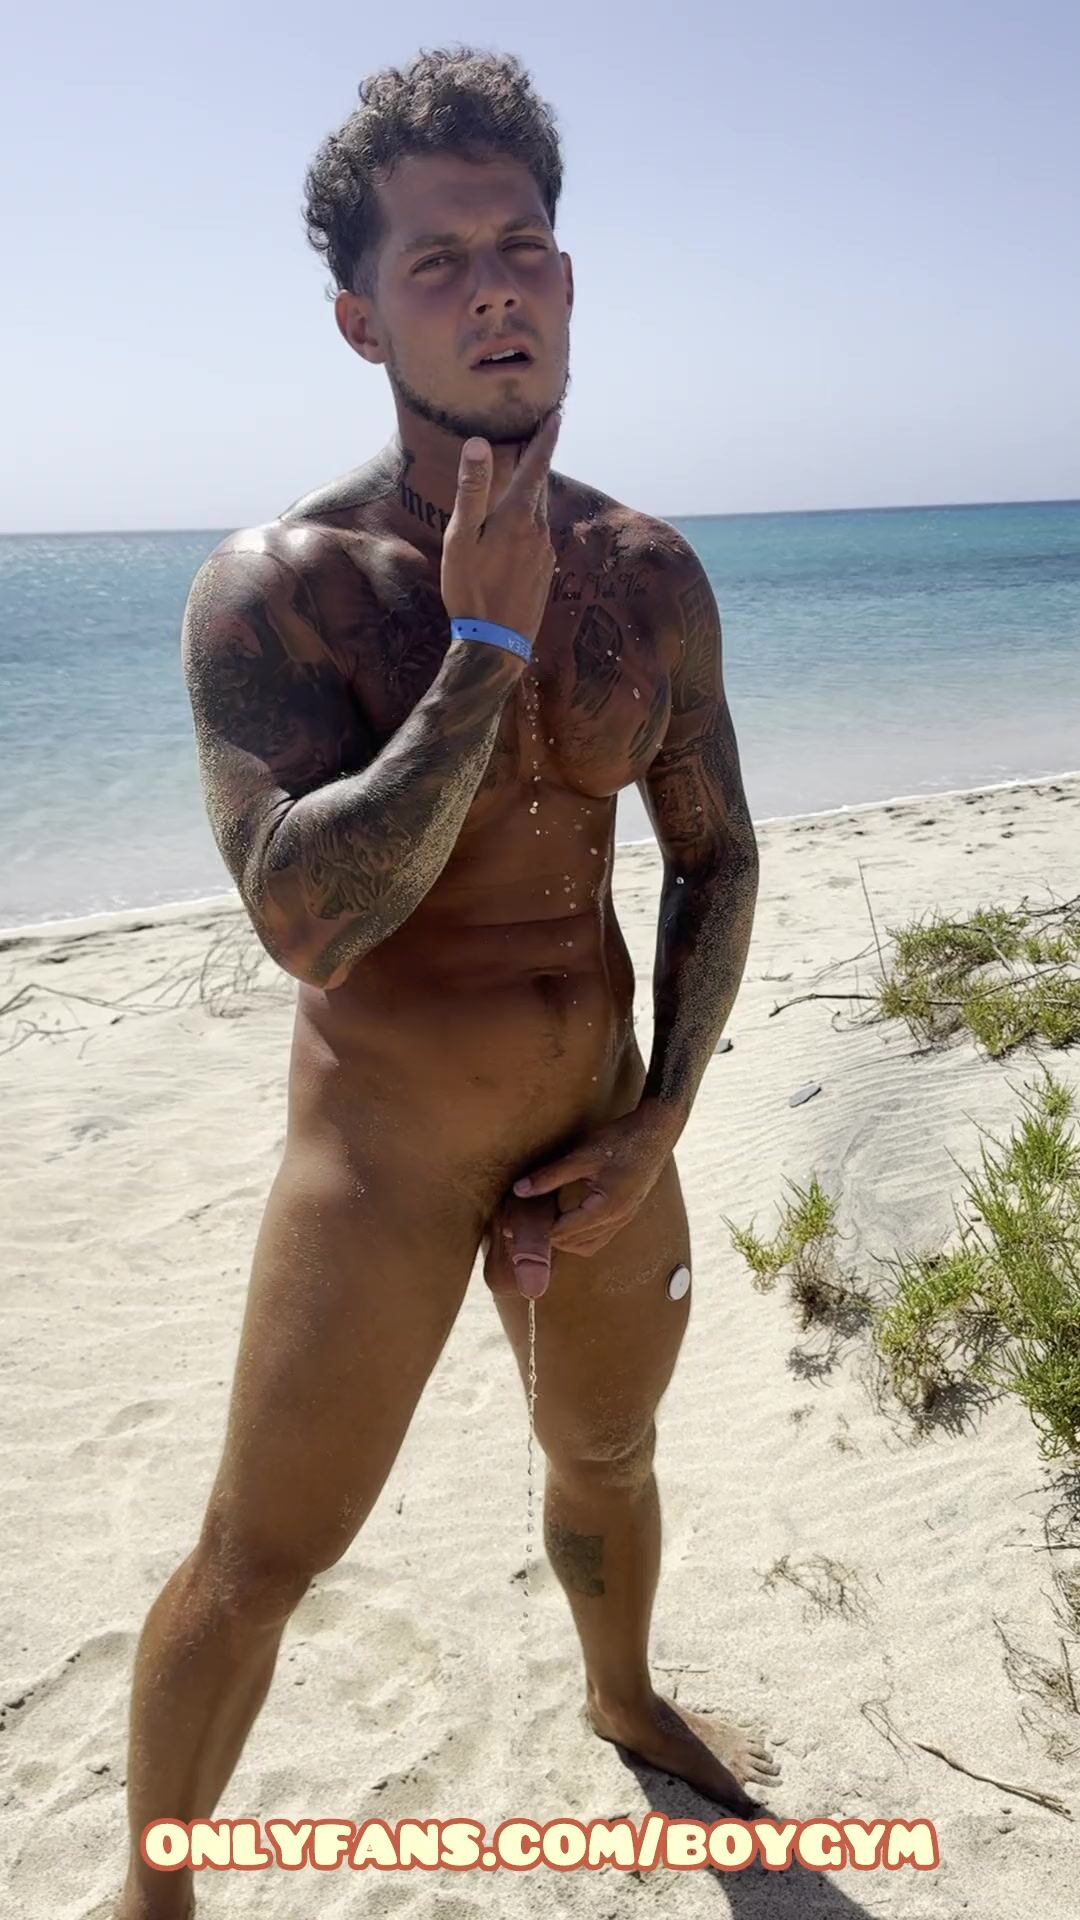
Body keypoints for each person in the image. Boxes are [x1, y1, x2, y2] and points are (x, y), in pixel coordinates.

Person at [115, 45, 774, 1919]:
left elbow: (717, 856)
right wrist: (481, 640)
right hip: (381, 1168)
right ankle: (153, 1895)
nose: (497, 289)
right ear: (360, 316)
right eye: (440, 261)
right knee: (261, 1557)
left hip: (600, 1139)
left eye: (525, 246)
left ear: (568, 276)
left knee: (611, 1453)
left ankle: (621, 1694)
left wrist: (662, 1120)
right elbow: (304, 920)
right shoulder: (281, 589)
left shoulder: (650, 575)